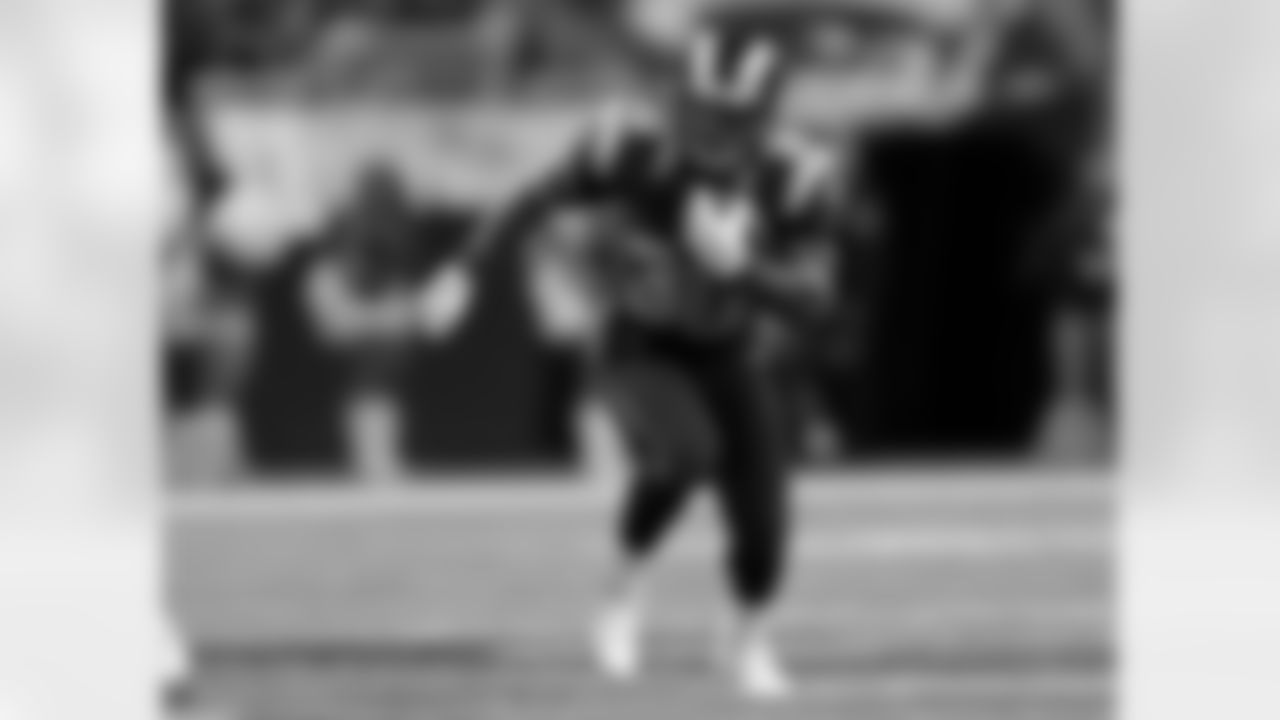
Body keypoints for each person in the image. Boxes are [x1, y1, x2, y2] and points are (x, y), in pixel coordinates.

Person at [418, 30, 845, 700]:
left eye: (729, 116)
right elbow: (531, 199)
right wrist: (464, 269)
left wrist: (745, 271)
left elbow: (818, 299)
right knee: (688, 452)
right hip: (639, 342)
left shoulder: (793, 177)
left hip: (729, 353)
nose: (709, 128)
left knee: (765, 532)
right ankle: (622, 584)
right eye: (700, 108)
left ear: (763, 119)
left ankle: (745, 643)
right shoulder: (630, 148)